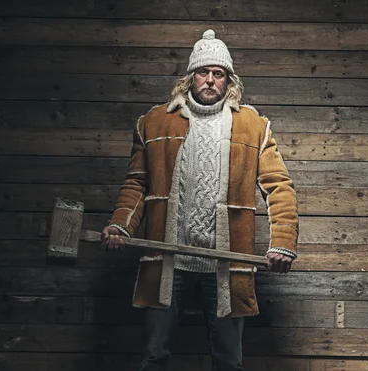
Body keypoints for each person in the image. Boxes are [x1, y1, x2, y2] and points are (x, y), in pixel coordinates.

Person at [101, 29, 299, 371]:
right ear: (190, 77)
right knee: (154, 355)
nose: (210, 80)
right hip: (167, 259)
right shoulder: (154, 121)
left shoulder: (253, 125)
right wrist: (121, 224)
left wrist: (282, 242)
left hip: (224, 263)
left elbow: (279, 185)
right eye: (203, 72)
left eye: (218, 74)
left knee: (228, 360)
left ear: (228, 81)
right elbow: (137, 183)